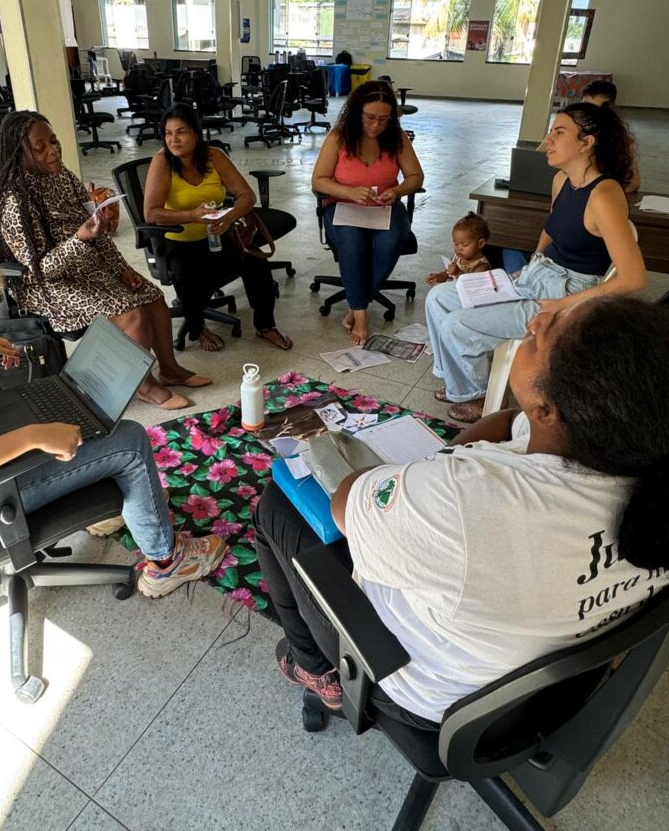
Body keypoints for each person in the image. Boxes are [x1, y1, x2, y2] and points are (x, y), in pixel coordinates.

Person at [254, 295, 669, 717]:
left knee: (277, 504)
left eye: (544, 334)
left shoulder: (467, 499)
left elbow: (346, 502)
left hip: (429, 690)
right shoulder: (627, 447)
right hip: (541, 686)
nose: (535, 321)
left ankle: (314, 667)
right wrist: (444, 464)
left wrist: (434, 474)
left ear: (548, 410)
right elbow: (510, 422)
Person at [0, 175, 225, 598]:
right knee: (129, 441)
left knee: (73, 408)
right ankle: (168, 562)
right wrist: (30, 437)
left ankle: (98, 497)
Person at [426, 102, 646, 423]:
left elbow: (633, 278)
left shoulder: (604, 194)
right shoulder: (562, 180)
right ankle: (456, 380)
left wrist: (561, 306)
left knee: (457, 325)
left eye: (559, 132)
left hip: (568, 291)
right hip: (539, 275)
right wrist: (533, 263)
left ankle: (478, 395)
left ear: (587, 142)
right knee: (438, 297)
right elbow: (551, 228)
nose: (547, 141)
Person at [0, 110, 210, 411]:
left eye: (54, 141)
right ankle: (144, 386)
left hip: (85, 267)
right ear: (19, 152)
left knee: (153, 297)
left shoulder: (62, 176)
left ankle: (169, 370)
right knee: (132, 315)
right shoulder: (14, 201)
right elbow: (40, 271)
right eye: (40, 147)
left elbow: (96, 230)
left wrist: (121, 268)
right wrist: (80, 239)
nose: (53, 151)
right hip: (46, 287)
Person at [143, 103, 292, 353]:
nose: (173, 140)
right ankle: (198, 328)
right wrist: (192, 215)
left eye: (181, 132)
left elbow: (246, 195)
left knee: (255, 262)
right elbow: (151, 214)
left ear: (195, 133)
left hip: (217, 234)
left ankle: (265, 325)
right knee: (189, 274)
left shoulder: (214, 156)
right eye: (168, 133)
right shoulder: (162, 162)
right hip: (179, 240)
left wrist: (230, 216)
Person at [311, 82, 425, 346]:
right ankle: (361, 314)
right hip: (343, 205)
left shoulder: (396, 138)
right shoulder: (339, 137)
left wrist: (397, 191)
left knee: (393, 239)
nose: (376, 125)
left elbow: (415, 176)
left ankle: (356, 303)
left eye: (384, 119)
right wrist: (348, 192)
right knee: (352, 242)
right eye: (370, 117)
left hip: (384, 205)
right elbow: (318, 180)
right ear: (357, 112)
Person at [426, 212, 490, 285]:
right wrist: (438, 277)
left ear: (480, 243)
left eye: (464, 244)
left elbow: (471, 286)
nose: (459, 248)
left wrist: (458, 273)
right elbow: (447, 275)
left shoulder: (482, 267)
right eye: (456, 244)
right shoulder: (456, 257)